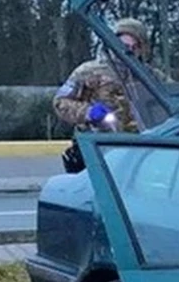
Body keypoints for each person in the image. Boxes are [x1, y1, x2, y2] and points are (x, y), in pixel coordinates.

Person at [53, 18, 157, 172]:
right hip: (98, 148)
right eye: (124, 46)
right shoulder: (89, 71)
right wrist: (88, 112)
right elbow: (60, 102)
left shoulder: (151, 76)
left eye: (135, 47)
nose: (128, 51)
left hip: (139, 150)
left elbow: (173, 99)